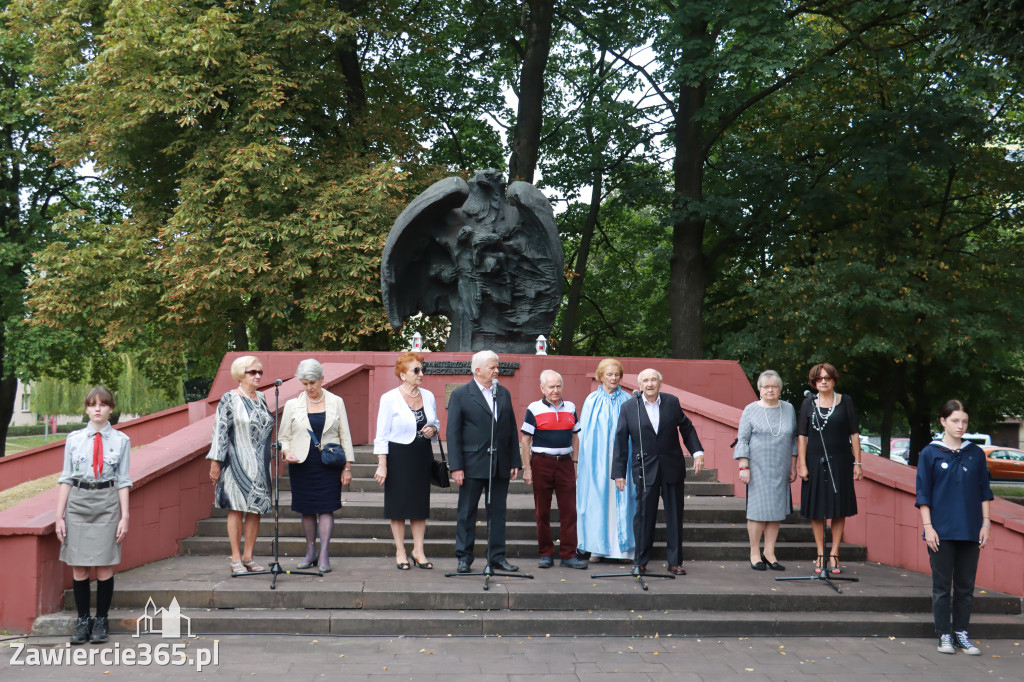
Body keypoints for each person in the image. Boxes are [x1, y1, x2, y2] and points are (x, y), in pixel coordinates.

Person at [55, 386, 132, 645]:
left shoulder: (121, 440)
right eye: (92, 404)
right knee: (79, 566)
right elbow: (66, 478)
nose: (97, 409)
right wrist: (59, 516)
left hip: (107, 502)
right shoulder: (74, 439)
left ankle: (101, 620)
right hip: (78, 502)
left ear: (111, 408)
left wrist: (125, 516)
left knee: (104, 566)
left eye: (102, 404)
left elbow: (123, 480)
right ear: (86, 408)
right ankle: (83, 619)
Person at [916, 399, 993, 656]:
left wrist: (986, 524)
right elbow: (923, 494)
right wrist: (928, 527)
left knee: (965, 586)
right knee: (941, 586)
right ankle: (944, 634)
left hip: (970, 529)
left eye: (964, 421)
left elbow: (984, 491)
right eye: (955, 421)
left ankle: (961, 632)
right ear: (943, 421)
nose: (960, 426)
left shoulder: (975, 453)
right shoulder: (930, 453)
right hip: (941, 530)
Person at [613, 368, 704, 575]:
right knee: (643, 516)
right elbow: (620, 440)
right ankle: (641, 561)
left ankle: (675, 562)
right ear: (640, 385)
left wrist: (697, 451)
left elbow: (687, 428)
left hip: (672, 467)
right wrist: (619, 472)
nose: (650, 384)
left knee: (674, 515)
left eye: (653, 380)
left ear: (660, 383)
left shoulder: (672, 402)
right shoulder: (629, 407)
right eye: (645, 380)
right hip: (645, 469)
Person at [448, 350, 522, 573]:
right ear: (477, 370)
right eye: (492, 367)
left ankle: (497, 556)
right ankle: (464, 557)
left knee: (498, 512)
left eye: (497, 366)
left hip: (500, 463)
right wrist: (457, 466)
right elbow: (453, 433)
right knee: (467, 512)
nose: (497, 370)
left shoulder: (504, 393)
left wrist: (514, 461)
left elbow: (510, 428)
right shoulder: (461, 394)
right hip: (471, 464)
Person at [279, 358, 354, 573]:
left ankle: (324, 554)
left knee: (327, 507)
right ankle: (310, 551)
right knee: (307, 510)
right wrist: (286, 451)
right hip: (302, 464)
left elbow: (345, 435)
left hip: (329, 464)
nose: (309, 388)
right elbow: (284, 436)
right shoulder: (293, 405)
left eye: (312, 382)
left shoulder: (336, 402)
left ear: (322, 379)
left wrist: (347, 467)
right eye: (304, 383)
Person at [207, 355, 274, 576]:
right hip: (236, 463)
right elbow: (220, 432)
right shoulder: (229, 399)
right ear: (240, 374)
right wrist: (215, 463)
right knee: (236, 508)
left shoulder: (262, 398)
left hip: (261, 464)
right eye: (252, 372)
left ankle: (248, 557)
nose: (257, 376)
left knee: (255, 510)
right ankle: (235, 558)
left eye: (259, 372)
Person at [373, 352, 440, 570]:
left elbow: (435, 421)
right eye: (416, 370)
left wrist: (434, 429)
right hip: (398, 455)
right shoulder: (389, 398)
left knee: (420, 505)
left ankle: (418, 550)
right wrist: (382, 464)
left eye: (422, 369)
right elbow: (381, 434)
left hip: (422, 454)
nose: (421, 374)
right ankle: (400, 550)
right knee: (399, 505)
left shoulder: (428, 396)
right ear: (403, 375)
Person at [797, 362, 862, 575]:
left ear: (834, 379)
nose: (823, 381)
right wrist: (802, 464)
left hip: (841, 461)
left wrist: (858, 463)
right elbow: (802, 436)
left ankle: (834, 553)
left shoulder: (846, 401)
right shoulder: (808, 403)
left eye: (827, 378)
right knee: (817, 509)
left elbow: (854, 434)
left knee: (838, 508)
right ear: (814, 383)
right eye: (819, 379)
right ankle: (820, 553)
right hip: (815, 461)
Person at [520, 370, 589, 570]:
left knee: (570, 511)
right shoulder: (534, 408)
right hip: (542, 462)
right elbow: (525, 440)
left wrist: (575, 462)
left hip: (566, 463)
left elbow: (576, 436)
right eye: (551, 386)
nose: (555, 390)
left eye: (558, 386)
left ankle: (569, 554)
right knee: (543, 511)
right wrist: (527, 468)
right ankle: (546, 553)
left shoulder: (571, 407)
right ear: (542, 388)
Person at [734, 370, 797, 571]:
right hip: (757, 467)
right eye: (766, 386)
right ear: (759, 389)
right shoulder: (750, 409)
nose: (770, 390)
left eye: (774, 386)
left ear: (780, 389)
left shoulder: (788, 408)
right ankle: (754, 553)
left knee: (775, 511)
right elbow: (742, 440)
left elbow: (794, 439)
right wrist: (744, 466)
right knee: (757, 511)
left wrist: (793, 466)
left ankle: (769, 553)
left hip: (781, 466)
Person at [576, 358, 635, 562]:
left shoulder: (627, 400)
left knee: (623, 499)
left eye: (617, 374)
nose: (613, 378)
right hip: (597, 461)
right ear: (600, 376)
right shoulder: (591, 400)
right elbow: (583, 433)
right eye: (609, 374)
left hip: (622, 460)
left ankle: (623, 549)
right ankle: (597, 548)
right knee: (598, 500)